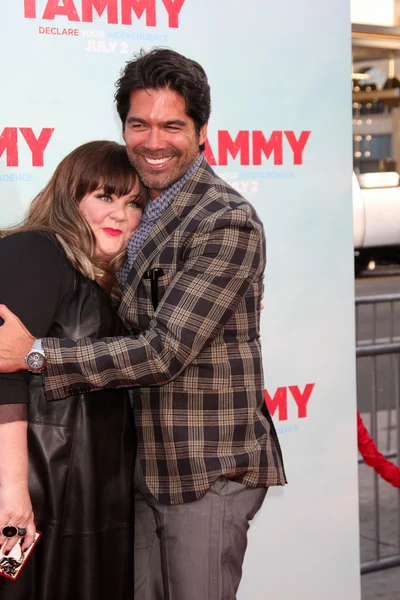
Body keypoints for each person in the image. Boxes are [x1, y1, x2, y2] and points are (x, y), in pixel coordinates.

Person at [0, 49, 287, 600]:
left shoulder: (224, 220)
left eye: (172, 125)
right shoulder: (43, 252)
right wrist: (12, 497)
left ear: (202, 131)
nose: (154, 141)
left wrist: (35, 353)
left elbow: (161, 352)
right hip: (87, 482)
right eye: (140, 124)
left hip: (200, 473)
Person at [0, 141, 146, 600]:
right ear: (70, 196)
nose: (120, 214)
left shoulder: (112, 278)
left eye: (134, 203)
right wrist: (12, 494)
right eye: (105, 197)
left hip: (90, 496)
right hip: (38, 490)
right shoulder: (37, 251)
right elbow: (4, 373)